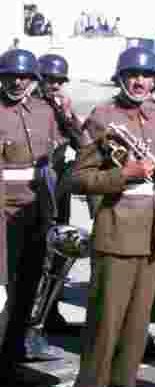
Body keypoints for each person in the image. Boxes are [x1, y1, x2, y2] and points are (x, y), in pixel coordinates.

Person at [67, 47, 155, 387]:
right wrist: (123, 175)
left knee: (137, 323)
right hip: (115, 230)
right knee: (105, 322)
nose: (140, 81)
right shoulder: (103, 116)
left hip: (152, 234)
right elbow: (78, 178)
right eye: (133, 74)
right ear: (120, 78)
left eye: (147, 76)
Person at [0, 48, 62, 387]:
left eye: (23, 76)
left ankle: (11, 366)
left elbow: (52, 162)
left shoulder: (45, 112)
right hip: (3, 215)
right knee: (0, 295)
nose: (16, 81)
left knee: (26, 293)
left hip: (36, 213)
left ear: (33, 80)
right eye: (10, 75)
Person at [33, 53, 86, 336]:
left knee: (57, 254)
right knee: (34, 258)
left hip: (58, 189)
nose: (54, 86)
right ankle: (29, 324)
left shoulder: (62, 108)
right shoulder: (23, 107)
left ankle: (50, 313)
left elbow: (83, 144)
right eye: (48, 80)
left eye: (58, 81)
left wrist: (68, 116)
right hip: (31, 192)